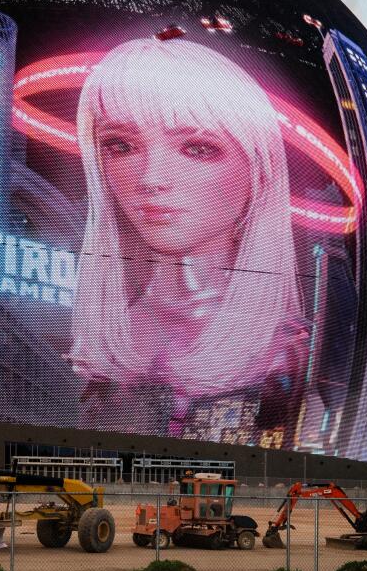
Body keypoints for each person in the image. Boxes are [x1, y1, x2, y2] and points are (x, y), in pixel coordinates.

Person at [69, 36, 307, 442]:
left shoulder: (285, 347)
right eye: (121, 145)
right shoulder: (106, 333)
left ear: (257, 170)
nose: (151, 178)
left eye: (197, 148)